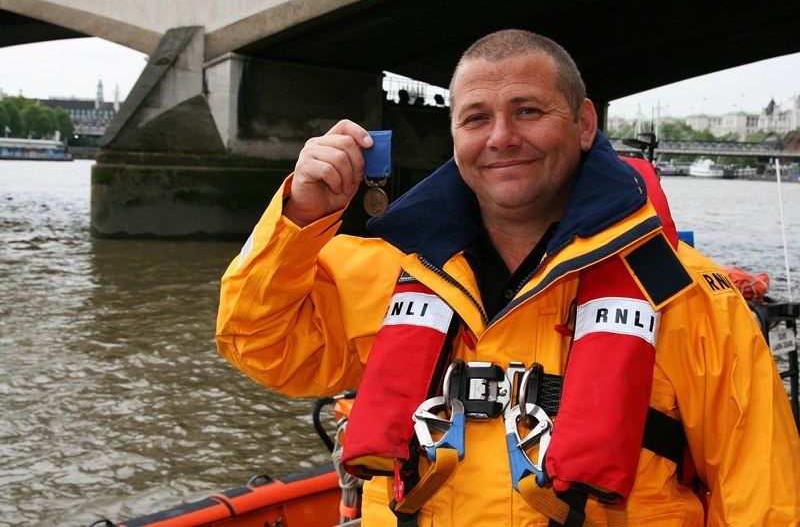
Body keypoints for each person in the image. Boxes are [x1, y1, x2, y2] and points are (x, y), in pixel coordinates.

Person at [216, 29, 800, 526]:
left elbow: (764, 497)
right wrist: (299, 215)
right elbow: (260, 344)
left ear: (584, 123)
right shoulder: (389, 266)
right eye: (476, 118)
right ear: (455, 137)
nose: (500, 137)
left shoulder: (684, 294)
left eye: (527, 110)